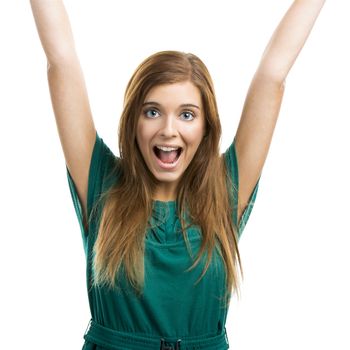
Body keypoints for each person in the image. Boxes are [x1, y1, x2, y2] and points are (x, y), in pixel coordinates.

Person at [30, 1, 326, 349]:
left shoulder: (225, 189)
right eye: (152, 111)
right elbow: (61, 61)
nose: (168, 130)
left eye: (187, 114)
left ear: (205, 127)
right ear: (133, 123)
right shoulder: (103, 185)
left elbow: (272, 75)